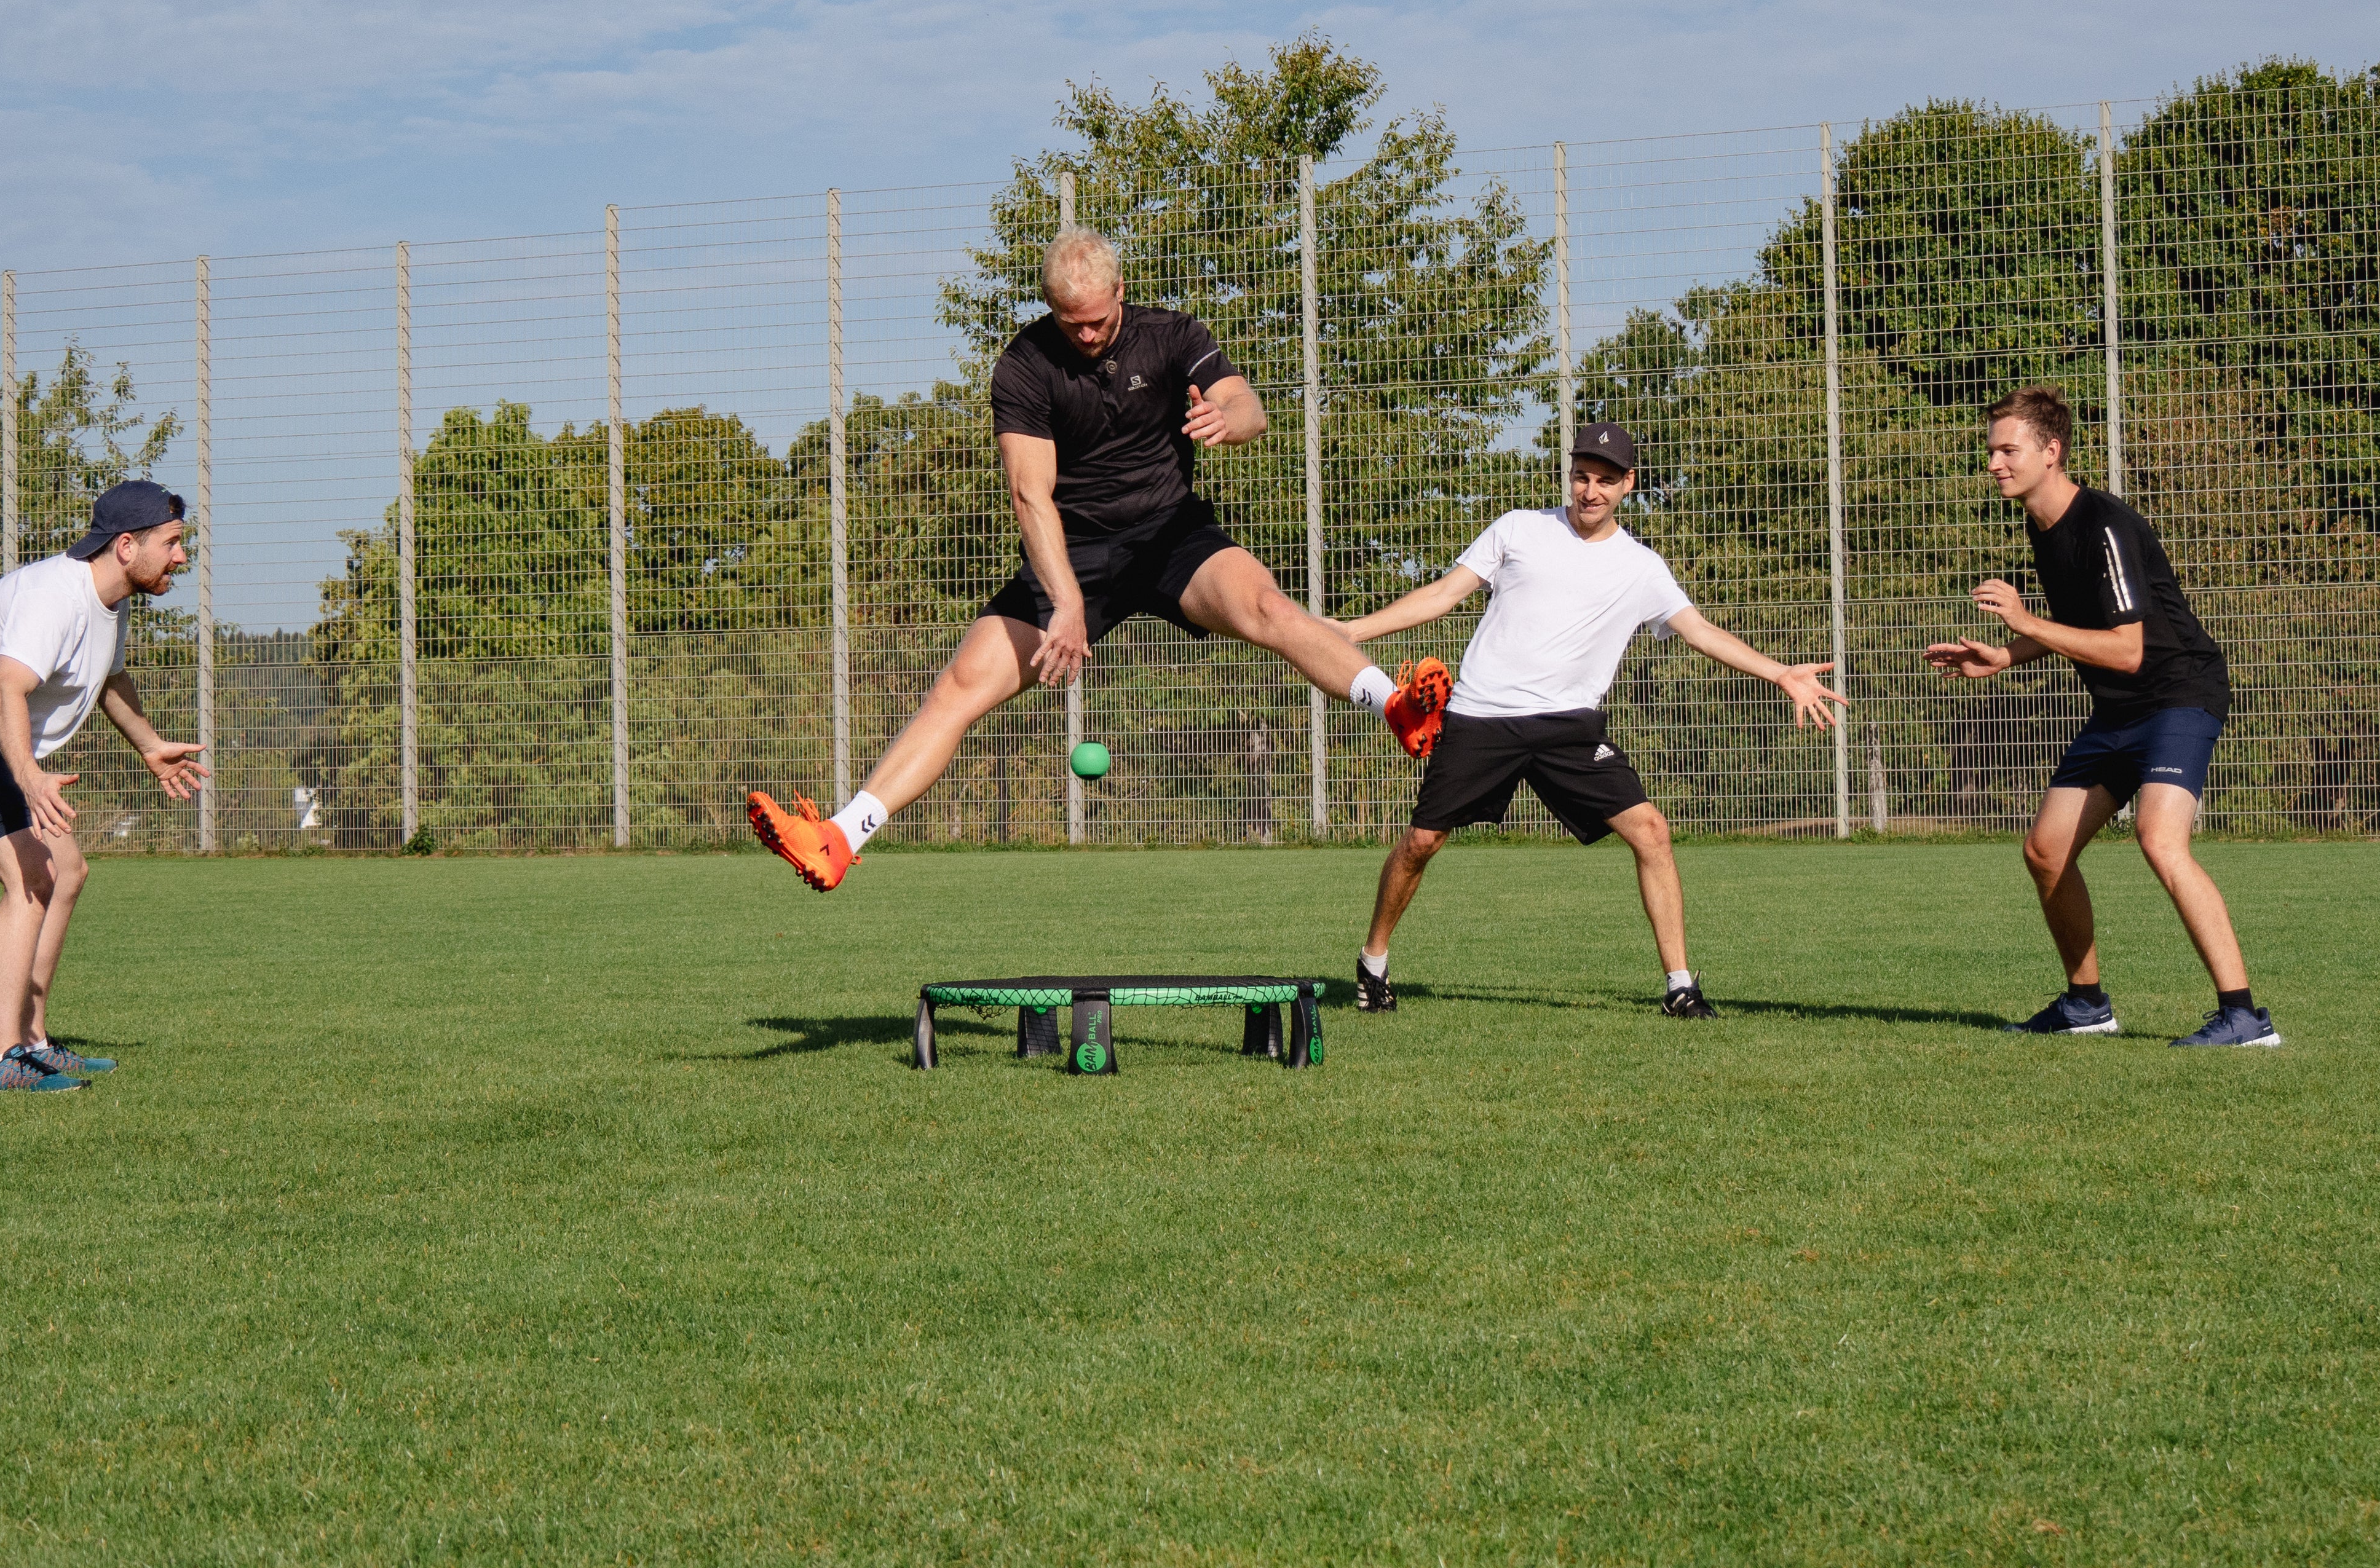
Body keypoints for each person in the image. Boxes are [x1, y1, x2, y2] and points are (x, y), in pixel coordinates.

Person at [748, 229, 1447, 889]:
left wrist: (1227, 421)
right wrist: (1068, 601)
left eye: (1097, 320)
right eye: (1068, 320)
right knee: (962, 682)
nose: (1084, 334)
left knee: (1267, 606)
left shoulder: (1173, 335)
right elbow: (1030, 494)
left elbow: (1248, 406)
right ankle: (840, 838)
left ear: (1120, 292)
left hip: (1173, 537)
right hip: (1072, 554)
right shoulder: (1025, 364)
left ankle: (1394, 707)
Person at [1339, 420, 1842, 1017]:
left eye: (1605, 480)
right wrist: (1347, 631)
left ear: (1627, 484)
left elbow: (1699, 630)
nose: (1590, 491)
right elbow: (1443, 594)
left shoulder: (1641, 567)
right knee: (1423, 841)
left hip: (1568, 728)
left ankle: (1680, 986)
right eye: (1582, 476)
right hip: (1483, 715)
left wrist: (1780, 672)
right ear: (1570, 475)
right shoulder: (1519, 529)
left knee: (1651, 830)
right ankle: (1373, 962)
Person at [1922, 385, 2279, 1047]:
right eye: (1991, 450)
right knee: (2046, 851)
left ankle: (2244, 1017)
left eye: (2009, 449)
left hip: (2179, 693)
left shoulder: (2105, 525)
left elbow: (2127, 647)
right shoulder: (2041, 524)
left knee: (2159, 838)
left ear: (2051, 452)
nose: (1994, 463)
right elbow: (2081, 627)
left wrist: (2025, 621)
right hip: (2118, 708)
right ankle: (2086, 1004)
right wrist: (2005, 653)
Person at [0, 478, 208, 1092]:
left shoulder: (110, 602)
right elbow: (6, 687)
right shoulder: (55, 597)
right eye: (171, 543)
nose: (181, 556)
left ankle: (32, 1041)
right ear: (124, 546)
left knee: (68, 869)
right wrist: (29, 776)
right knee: (32, 879)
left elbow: (110, 680)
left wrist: (150, 746)